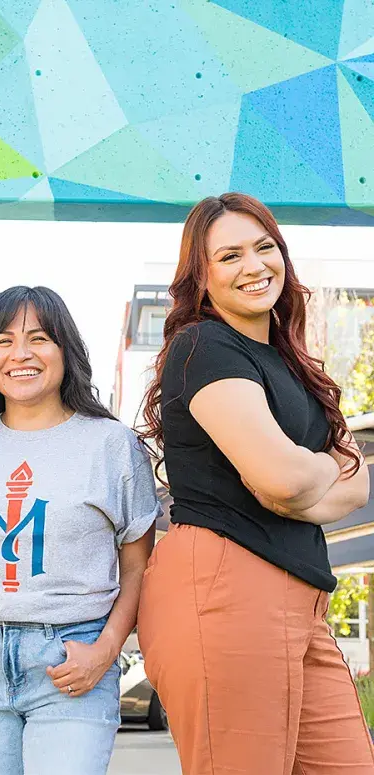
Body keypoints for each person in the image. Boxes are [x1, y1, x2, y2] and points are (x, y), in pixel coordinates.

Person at [137, 193, 374, 774]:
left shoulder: (289, 363)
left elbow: (355, 485)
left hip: (302, 596)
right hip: (225, 587)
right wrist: (313, 468)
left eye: (265, 248)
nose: (254, 265)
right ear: (202, 277)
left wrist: (303, 473)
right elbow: (280, 478)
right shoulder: (204, 346)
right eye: (230, 255)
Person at [0, 286, 161, 775]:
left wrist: (105, 651)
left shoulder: (111, 445)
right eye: (3, 341)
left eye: (39, 338)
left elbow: (138, 565)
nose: (20, 353)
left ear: (66, 351)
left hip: (71, 663)